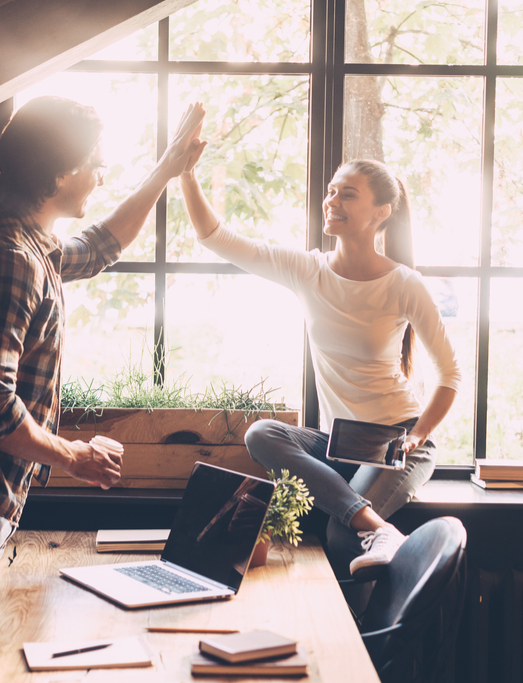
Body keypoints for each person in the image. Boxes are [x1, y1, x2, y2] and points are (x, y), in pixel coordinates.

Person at [0, 96, 205, 682]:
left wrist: (165, 170)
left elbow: (101, 246)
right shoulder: (10, 257)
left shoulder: (30, 242)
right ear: (59, 173)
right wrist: (74, 455)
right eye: (94, 162)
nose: (101, 173)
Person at [177, 129, 460, 584]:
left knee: (339, 533)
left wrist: (418, 433)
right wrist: (186, 174)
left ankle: (368, 641)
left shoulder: (404, 283)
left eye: (347, 195)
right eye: (331, 191)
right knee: (262, 433)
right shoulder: (309, 270)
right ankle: (381, 530)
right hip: (339, 442)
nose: (332, 201)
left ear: (381, 213)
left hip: (397, 441)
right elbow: (217, 238)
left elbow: (451, 375)